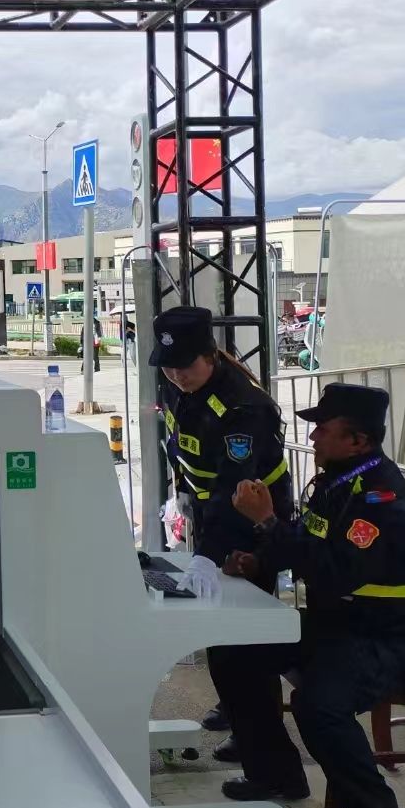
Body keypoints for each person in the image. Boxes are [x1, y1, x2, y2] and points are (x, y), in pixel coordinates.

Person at [221, 384, 405, 808]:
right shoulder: (339, 482)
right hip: (341, 621)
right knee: (239, 651)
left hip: (390, 634)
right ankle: (276, 771)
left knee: (320, 706)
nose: (313, 436)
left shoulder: (380, 501)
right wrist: (259, 560)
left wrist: (267, 522)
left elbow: (335, 571)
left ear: (358, 441)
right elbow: (310, 542)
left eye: (323, 428)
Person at [150, 305, 292, 755]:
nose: (177, 376)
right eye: (169, 367)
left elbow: (235, 489)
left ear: (209, 356)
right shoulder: (178, 383)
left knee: (246, 633)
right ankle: (235, 708)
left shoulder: (243, 406)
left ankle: (258, 735)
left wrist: (207, 556)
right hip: (210, 508)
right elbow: (180, 441)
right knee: (219, 629)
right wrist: (181, 494)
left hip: (252, 517)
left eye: (185, 366)